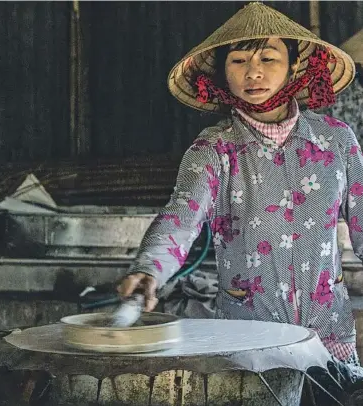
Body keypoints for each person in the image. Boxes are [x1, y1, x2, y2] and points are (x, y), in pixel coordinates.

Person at [118, 0, 363, 390]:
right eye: (238, 61)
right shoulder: (214, 149)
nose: (254, 72)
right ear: (221, 73)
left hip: (326, 336)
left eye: (269, 58)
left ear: (294, 67)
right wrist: (150, 268)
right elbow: (180, 217)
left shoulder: (336, 140)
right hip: (248, 339)